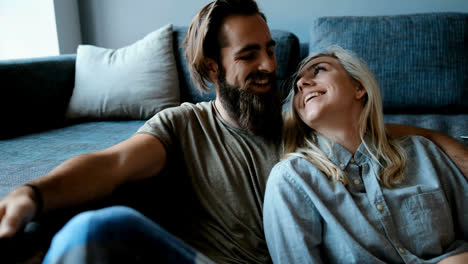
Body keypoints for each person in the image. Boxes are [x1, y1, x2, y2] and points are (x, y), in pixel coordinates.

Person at [0, 0, 466, 263]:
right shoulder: (185, 126)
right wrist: (33, 193)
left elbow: (360, 133)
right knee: (97, 230)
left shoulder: (296, 122)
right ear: (211, 67)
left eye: (268, 49)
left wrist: (441, 142)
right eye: (248, 56)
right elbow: (111, 164)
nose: (270, 64)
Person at [263, 46, 468, 264]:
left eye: (319, 70)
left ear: (359, 87)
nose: (301, 84)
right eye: (297, 85)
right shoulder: (291, 179)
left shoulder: (423, 152)